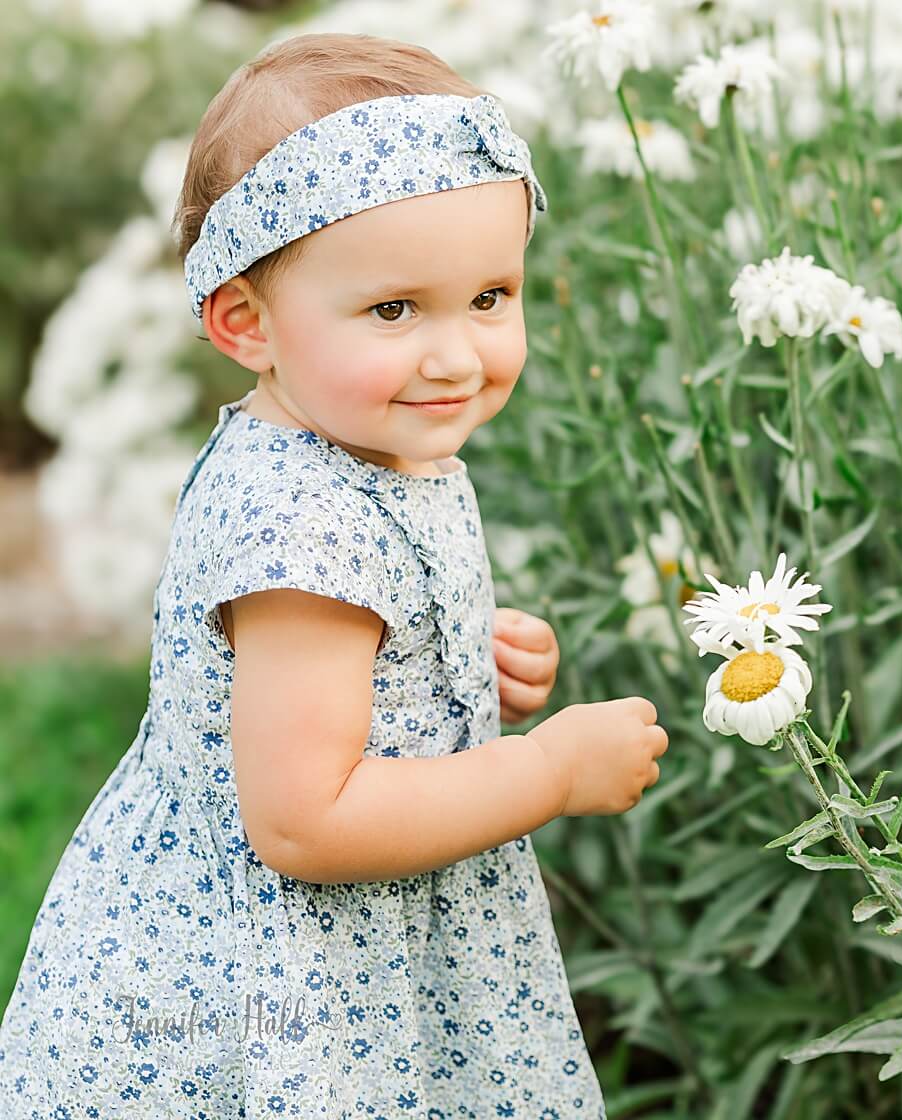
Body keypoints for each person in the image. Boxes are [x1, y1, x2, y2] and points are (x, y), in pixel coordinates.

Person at [0, 31, 670, 1118]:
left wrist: (453, 656)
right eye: (394, 310)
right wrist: (545, 771)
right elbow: (307, 822)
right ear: (246, 321)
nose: (456, 353)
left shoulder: (360, 444)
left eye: (490, 296)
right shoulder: (299, 529)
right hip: (290, 986)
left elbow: (337, 662)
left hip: (360, 946)